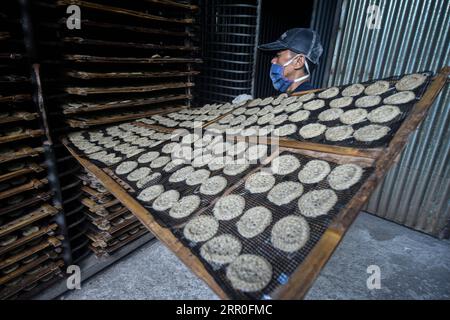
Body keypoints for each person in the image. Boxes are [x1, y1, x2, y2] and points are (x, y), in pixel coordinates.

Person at [258, 28, 323, 94]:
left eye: (278, 55)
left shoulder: (309, 102)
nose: (272, 61)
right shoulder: (288, 97)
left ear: (298, 62)